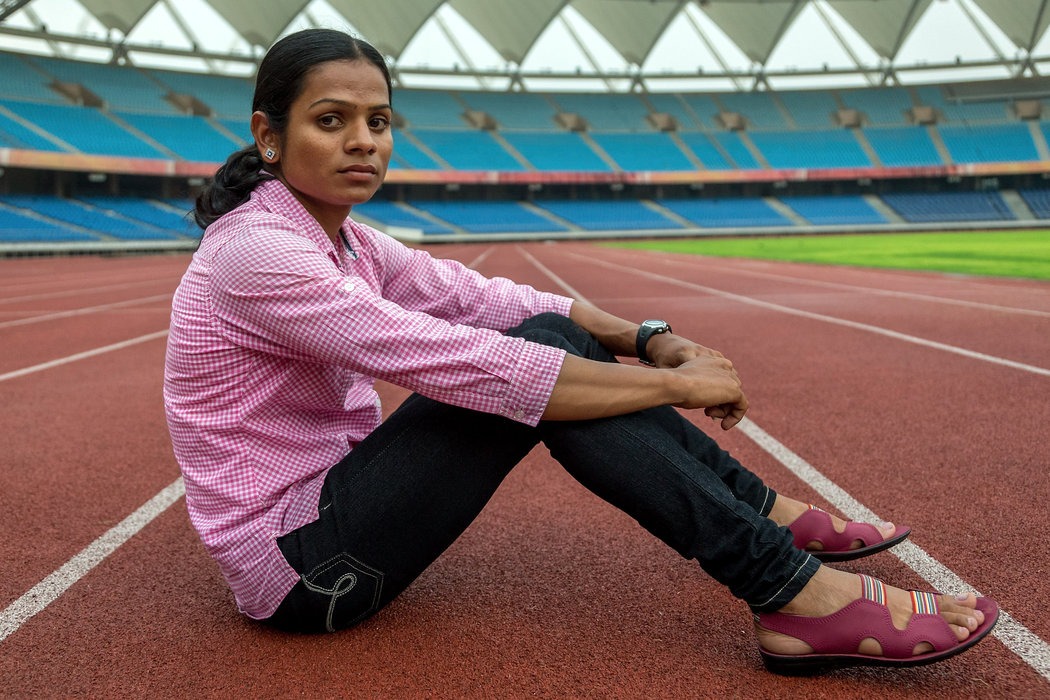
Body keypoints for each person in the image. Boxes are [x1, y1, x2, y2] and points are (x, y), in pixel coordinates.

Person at [163, 28, 997, 675]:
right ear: (269, 137)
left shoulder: (346, 239)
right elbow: (453, 358)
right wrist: (669, 388)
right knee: (522, 370)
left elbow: (482, 298)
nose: (364, 142)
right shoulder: (257, 252)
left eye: (378, 122)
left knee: (542, 337)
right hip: (304, 568)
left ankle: (766, 524)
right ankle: (789, 588)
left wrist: (648, 339)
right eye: (331, 120)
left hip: (336, 506)